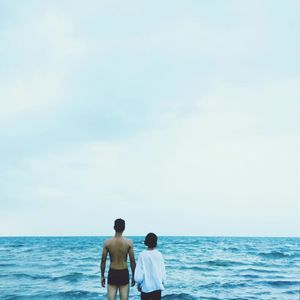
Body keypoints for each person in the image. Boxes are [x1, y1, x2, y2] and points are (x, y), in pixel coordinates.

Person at [101, 218, 136, 300]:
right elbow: (132, 261)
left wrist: (102, 276)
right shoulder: (129, 242)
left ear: (114, 227)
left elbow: (103, 261)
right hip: (124, 272)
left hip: (112, 272)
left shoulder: (107, 242)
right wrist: (134, 275)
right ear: (124, 228)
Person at [134, 233, 166, 300]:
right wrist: (162, 281)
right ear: (155, 242)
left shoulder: (142, 255)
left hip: (146, 287)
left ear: (146, 242)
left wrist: (138, 283)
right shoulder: (159, 254)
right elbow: (162, 270)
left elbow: (139, 274)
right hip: (157, 286)